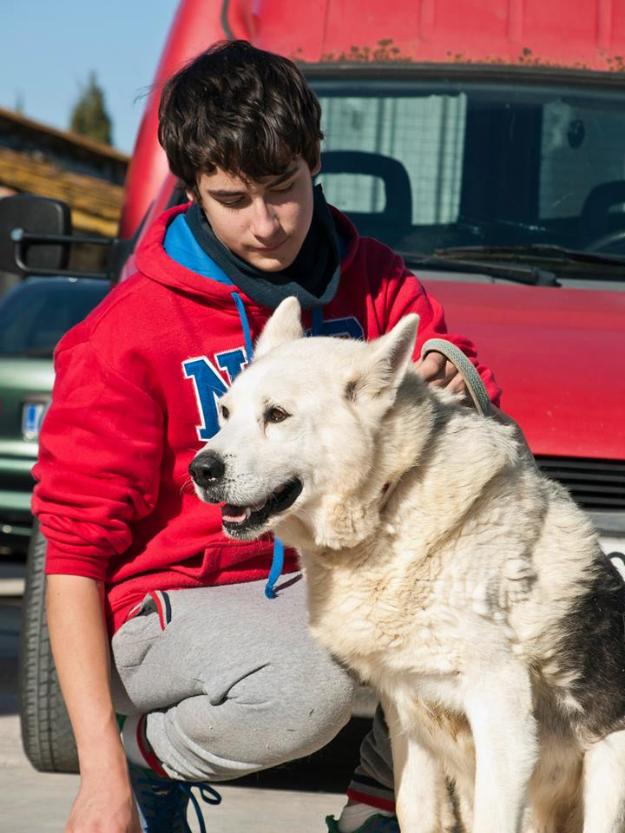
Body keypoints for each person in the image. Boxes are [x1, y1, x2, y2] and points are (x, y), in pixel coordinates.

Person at [34, 40, 501, 833]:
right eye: (232, 198)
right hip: (169, 610)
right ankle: (152, 760)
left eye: (284, 188)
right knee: (311, 674)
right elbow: (73, 554)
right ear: (190, 190)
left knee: (495, 590)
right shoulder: (127, 336)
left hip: (318, 582)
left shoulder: (375, 282)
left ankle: (381, 806)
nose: (266, 223)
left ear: (314, 160)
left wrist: (450, 381)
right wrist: (100, 777)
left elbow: (464, 402)